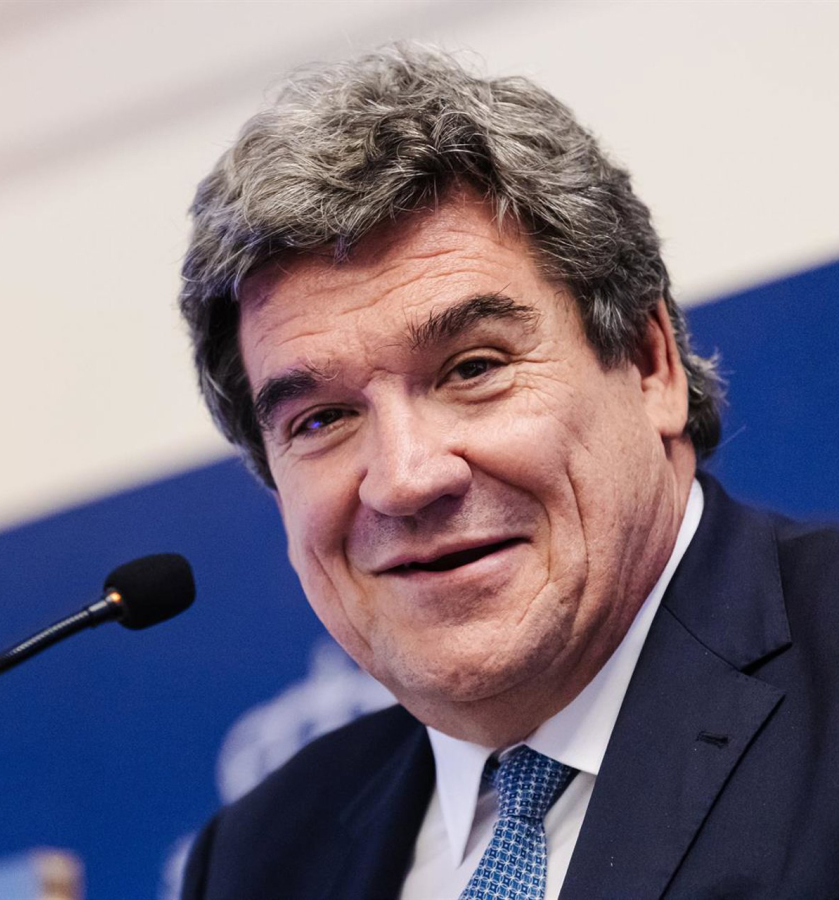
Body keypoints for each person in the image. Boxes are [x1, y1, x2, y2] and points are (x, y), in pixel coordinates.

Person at [176, 44, 839, 899]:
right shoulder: (257, 860)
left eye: (473, 368)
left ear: (649, 364)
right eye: (323, 419)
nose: (406, 479)